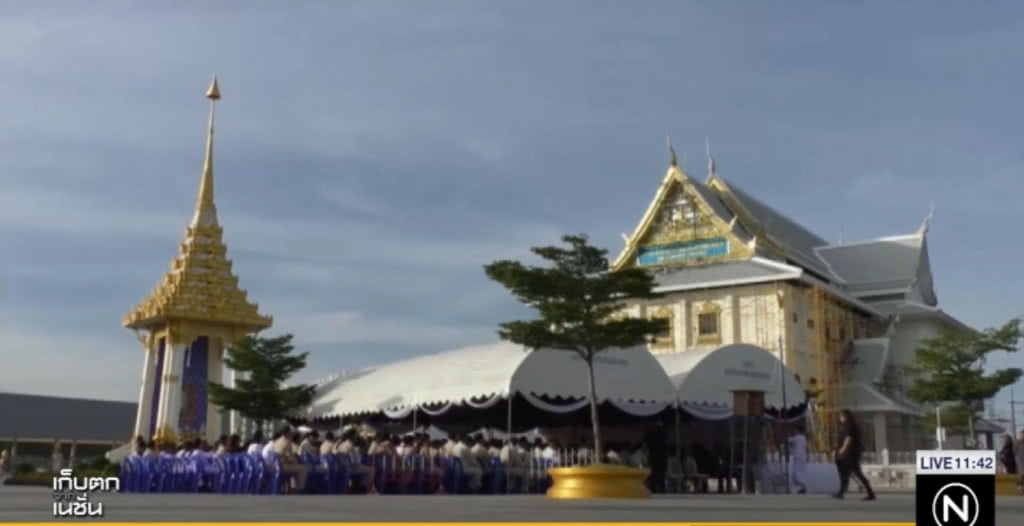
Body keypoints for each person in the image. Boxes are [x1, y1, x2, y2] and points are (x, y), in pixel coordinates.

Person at [832, 409, 875, 501]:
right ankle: (841, 492)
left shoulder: (849, 425)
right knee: (845, 474)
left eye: (840, 416)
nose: (839, 418)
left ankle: (870, 493)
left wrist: (842, 450)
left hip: (849, 454)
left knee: (856, 473)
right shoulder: (846, 425)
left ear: (844, 416)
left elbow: (848, 439)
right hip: (847, 453)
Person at [272, 428, 309, 493]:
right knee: (303, 468)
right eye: (291, 432)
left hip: (276, 465)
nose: (292, 434)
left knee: (297, 468)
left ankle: (293, 487)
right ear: (288, 433)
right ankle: (299, 489)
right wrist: (297, 463)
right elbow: (290, 458)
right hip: (283, 466)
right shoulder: (287, 442)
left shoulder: (278, 440)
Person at [645, 420, 668, 493]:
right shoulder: (653, 433)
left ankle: (658, 487)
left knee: (658, 473)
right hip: (656, 456)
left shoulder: (662, 433)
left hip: (658, 456)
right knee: (656, 473)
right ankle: (656, 487)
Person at [788, 422, 809, 494]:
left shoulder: (797, 438)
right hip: (803, 456)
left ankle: (802, 487)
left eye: (795, 430)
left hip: (798, 457)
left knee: (797, 472)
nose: (795, 431)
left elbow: (789, 440)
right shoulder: (804, 437)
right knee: (801, 472)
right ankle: (803, 487)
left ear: (798, 430)